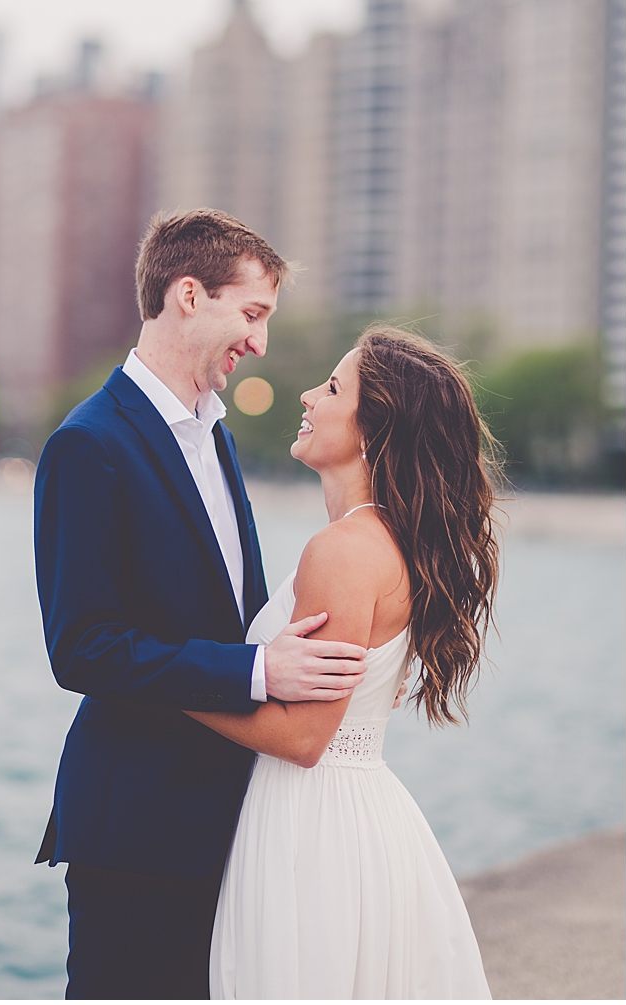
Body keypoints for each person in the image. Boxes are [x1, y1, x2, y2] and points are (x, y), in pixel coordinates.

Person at [35, 209, 374, 999]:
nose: (259, 343)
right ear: (189, 295)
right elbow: (82, 646)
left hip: (230, 821)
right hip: (137, 829)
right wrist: (258, 669)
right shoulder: (88, 445)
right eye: (251, 314)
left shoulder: (215, 435)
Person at [191, 326, 498, 999]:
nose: (307, 395)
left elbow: (304, 737)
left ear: (371, 429)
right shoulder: (387, 540)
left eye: (332, 387)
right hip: (355, 814)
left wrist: (164, 682)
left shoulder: (344, 550)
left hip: (312, 824)